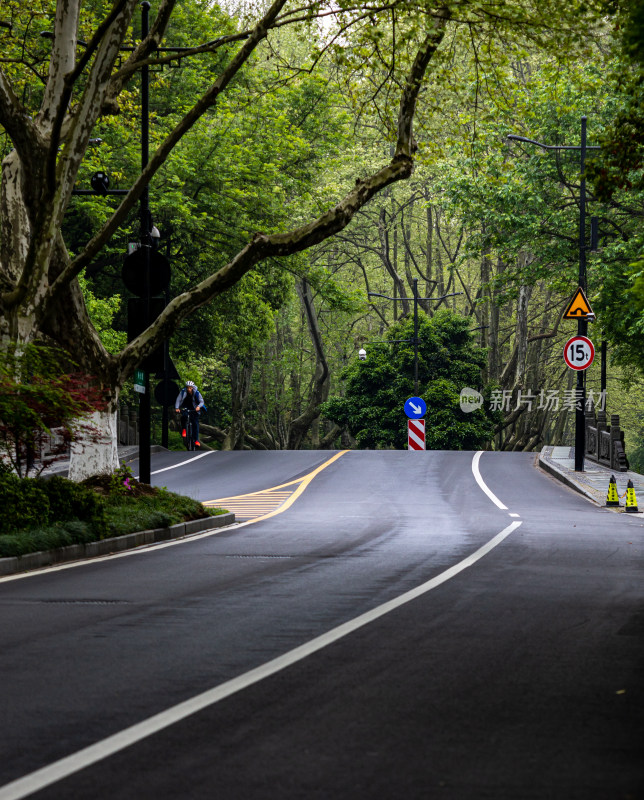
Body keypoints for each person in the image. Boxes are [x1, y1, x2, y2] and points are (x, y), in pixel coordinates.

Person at [175, 380, 205, 447]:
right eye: (188, 387)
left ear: (193, 387)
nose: (189, 389)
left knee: (195, 424)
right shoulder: (183, 392)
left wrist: (198, 406)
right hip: (185, 407)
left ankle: (196, 440)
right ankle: (184, 430)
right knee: (184, 416)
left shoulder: (197, 393)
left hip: (194, 409)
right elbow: (178, 400)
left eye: (190, 388)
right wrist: (177, 408)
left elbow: (201, 402)